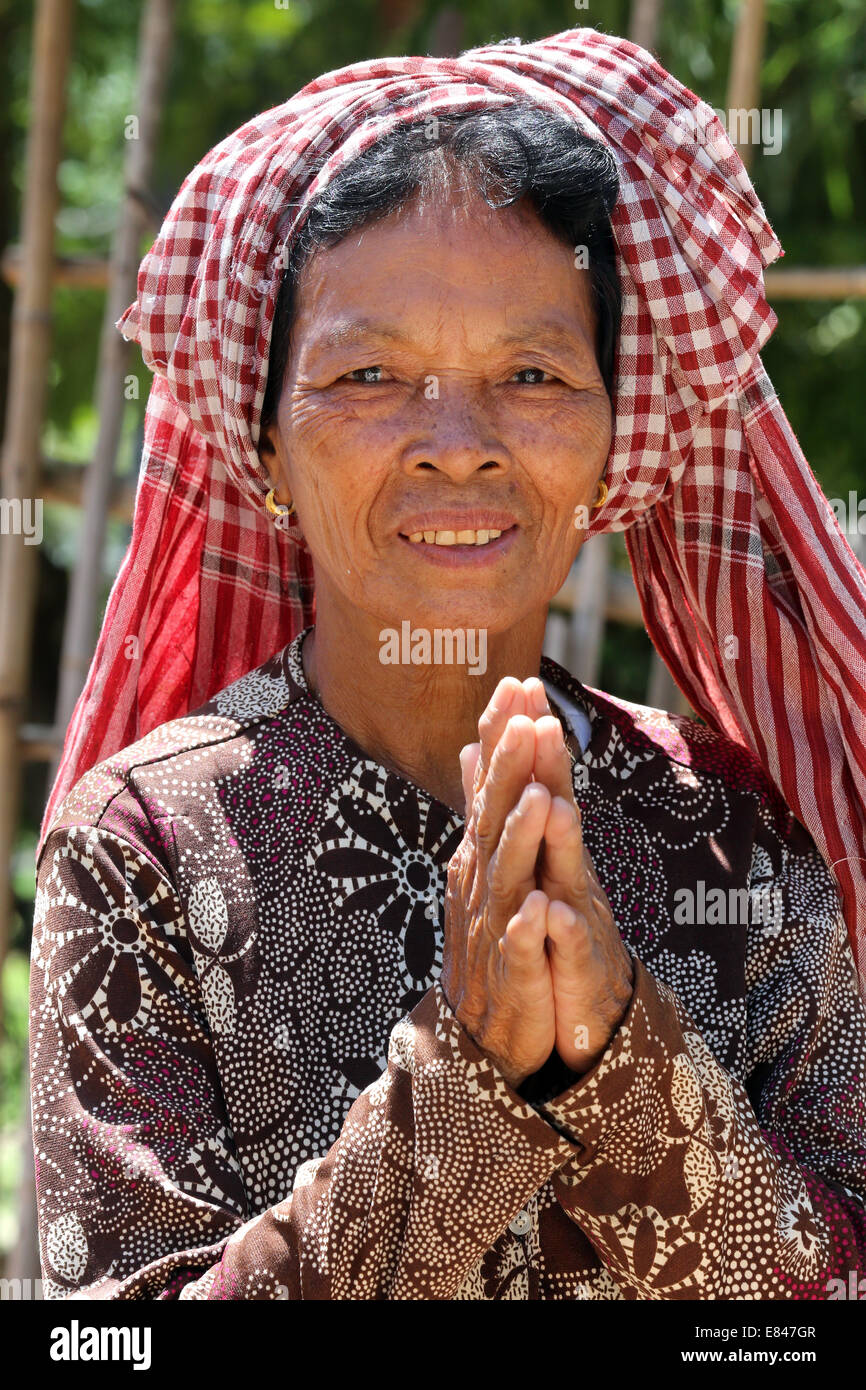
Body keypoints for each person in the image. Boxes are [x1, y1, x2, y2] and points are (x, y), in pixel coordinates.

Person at [29, 26, 866, 1300]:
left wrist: (620, 1063)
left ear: (608, 444)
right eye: (370, 374)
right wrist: (460, 1089)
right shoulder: (146, 848)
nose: (456, 444)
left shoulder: (734, 840)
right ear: (263, 445)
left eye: (529, 373)